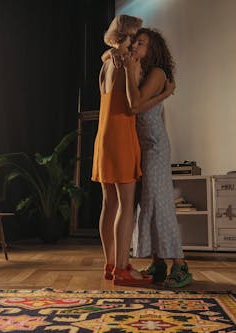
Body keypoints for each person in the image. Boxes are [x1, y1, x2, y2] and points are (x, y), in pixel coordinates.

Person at [123, 28, 193, 288]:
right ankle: (159, 262)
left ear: (153, 49)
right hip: (145, 146)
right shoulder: (143, 72)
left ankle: (181, 265)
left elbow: (136, 106)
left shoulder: (157, 73)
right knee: (148, 204)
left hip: (154, 147)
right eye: (135, 43)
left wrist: (165, 93)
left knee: (160, 205)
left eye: (141, 44)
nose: (135, 47)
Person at [91, 14, 150, 286]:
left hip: (104, 135)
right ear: (125, 36)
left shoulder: (106, 63)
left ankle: (111, 263)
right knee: (127, 205)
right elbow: (131, 105)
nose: (138, 43)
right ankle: (123, 268)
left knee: (109, 203)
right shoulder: (127, 62)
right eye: (135, 36)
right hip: (121, 134)